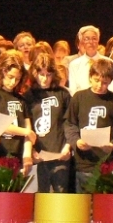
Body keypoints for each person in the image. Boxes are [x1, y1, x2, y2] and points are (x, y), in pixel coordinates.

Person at [65, 58, 113, 192]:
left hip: (107, 162)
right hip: (84, 162)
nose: (100, 85)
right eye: (96, 80)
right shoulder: (79, 97)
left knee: (104, 204)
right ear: (90, 77)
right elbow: (70, 124)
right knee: (84, 205)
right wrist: (76, 141)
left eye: (104, 82)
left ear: (110, 81)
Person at [25, 51, 72, 191]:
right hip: (38, 155)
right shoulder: (28, 96)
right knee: (39, 198)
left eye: (48, 75)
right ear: (34, 74)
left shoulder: (62, 94)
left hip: (60, 154)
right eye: (41, 74)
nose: (44, 79)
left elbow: (70, 123)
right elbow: (27, 126)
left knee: (60, 197)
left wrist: (67, 147)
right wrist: (31, 151)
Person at [0, 51, 33, 172]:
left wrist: (27, 156)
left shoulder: (21, 99)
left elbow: (28, 129)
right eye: (10, 77)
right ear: (2, 72)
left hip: (17, 156)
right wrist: (25, 131)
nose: (13, 82)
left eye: (17, 79)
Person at [67, 25, 107, 94]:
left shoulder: (108, 62)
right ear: (82, 42)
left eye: (94, 38)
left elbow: (111, 87)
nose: (91, 42)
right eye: (87, 39)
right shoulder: (74, 64)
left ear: (98, 41)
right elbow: (73, 90)